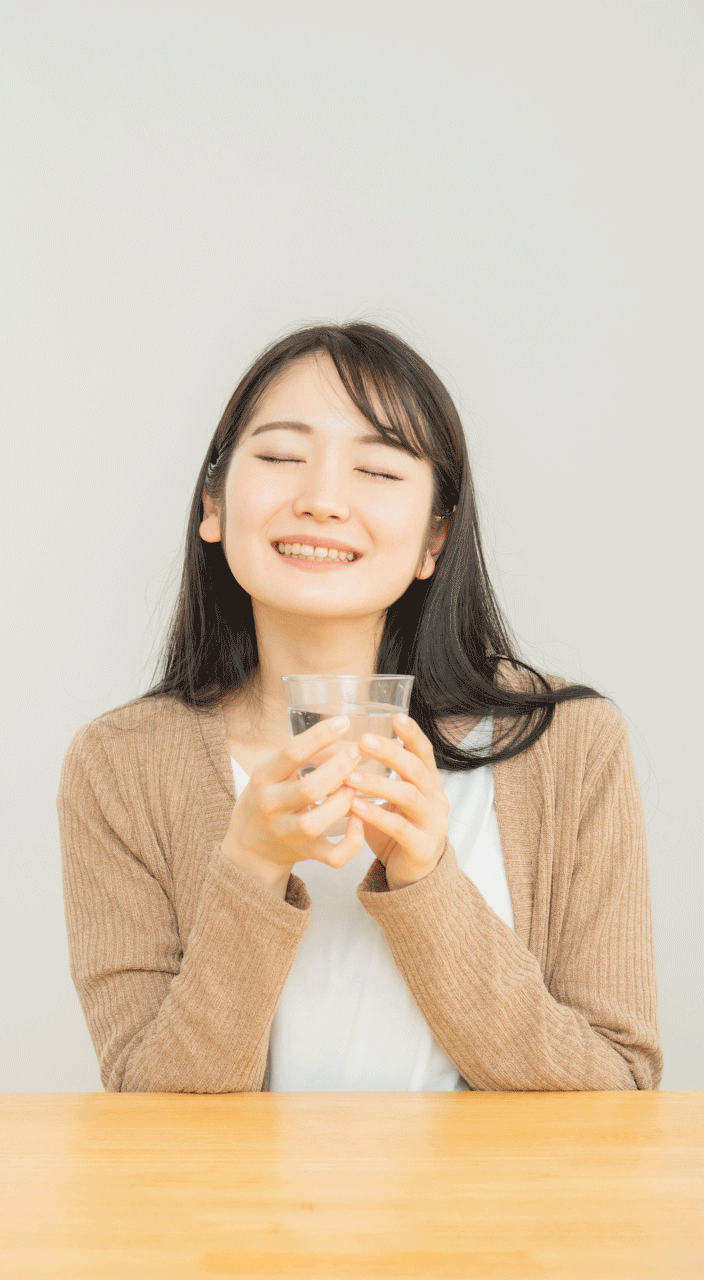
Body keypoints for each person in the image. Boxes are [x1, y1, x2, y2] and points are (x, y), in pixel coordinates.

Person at [57, 321, 660, 1093]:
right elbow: (150, 1110)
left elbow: (619, 1092)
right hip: (241, 1219)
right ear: (213, 505)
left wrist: (425, 881)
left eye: (376, 470)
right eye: (279, 457)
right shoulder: (123, 765)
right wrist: (250, 867)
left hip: (492, 1218)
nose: (322, 501)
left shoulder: (567, 745)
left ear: (433, 540)